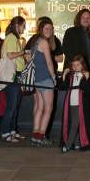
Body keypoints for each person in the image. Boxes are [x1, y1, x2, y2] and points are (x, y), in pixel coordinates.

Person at [29, 17, 58, 147]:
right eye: (46, 28)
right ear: (41, 29)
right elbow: (49, 62)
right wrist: (53, 77)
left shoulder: (35, 41)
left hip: (36, 79)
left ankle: (35, 136)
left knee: (40, 108)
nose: (49, 31)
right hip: (45, 79)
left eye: (51, 29)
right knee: (48, 108)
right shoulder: (45, 42)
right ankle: (41, 136)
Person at [58, 54, 90, 152]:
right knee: (75, 123)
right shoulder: (71, 75)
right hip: (70, 103)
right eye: (73, 65)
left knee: (75, 123)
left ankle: (68, 145)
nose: (75, 67)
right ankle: (77, 143)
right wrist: (64, 74)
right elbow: (62, 87)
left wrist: (87, 78)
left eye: (78, 65)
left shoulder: (87, 75)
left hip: (82, 104)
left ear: (82, 65)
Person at [0, 16, 27, 143]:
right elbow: (10, 55)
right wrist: (23, 52)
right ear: (17, 25)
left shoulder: (14, 38)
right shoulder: (11, 37)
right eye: (23, 25)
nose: (24, 28)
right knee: (11, 105)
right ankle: (5, 132)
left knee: (14, 105)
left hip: (17, 74)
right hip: (13, 75)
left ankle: (12, 131)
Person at [62, 9, 90, 76]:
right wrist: (78, 64)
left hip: (89, 71)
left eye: (88, 18)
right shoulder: (71, 31)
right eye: (83, 17)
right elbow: (65, 49)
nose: (86, 19)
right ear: (79, 19)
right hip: (74, 70)